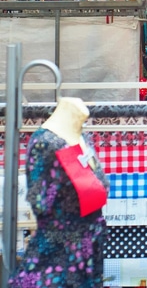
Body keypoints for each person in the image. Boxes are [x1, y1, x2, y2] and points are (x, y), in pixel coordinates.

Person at [10, 97, 108, 288]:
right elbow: (40, 204)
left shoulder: (83, 139)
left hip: (87, 257)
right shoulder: (45, 144)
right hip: (59, 262)